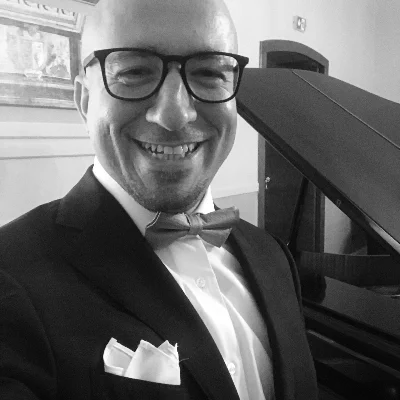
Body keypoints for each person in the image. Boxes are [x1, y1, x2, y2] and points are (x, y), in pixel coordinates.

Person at [0, 0, 318, 398]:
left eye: (209, 73)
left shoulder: (274, 256)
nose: (175, 115)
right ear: (84, 100)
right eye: (134, 72)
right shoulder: (10, 280)